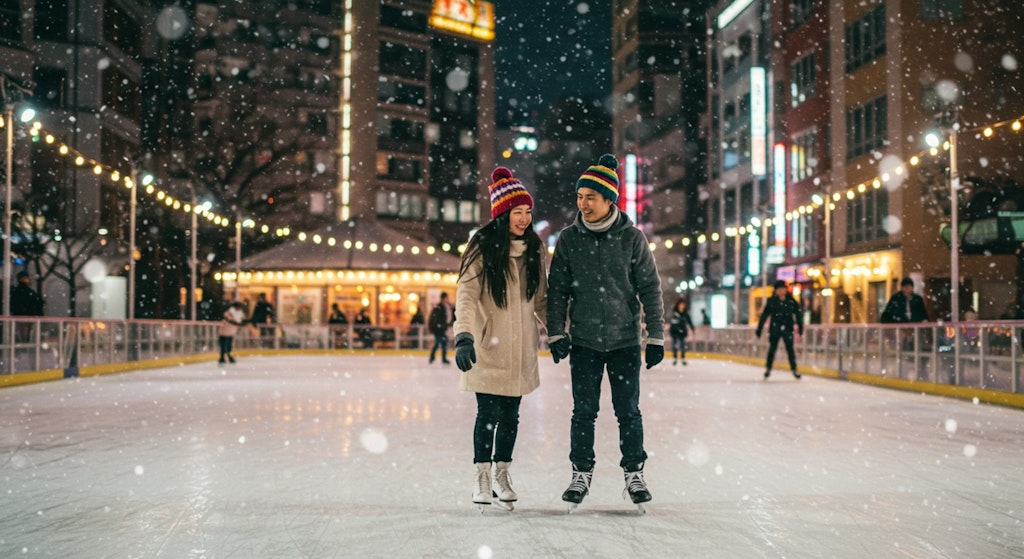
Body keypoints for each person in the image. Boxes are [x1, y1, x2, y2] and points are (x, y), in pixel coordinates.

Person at [545, 153, 665, 510]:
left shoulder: (632, 239)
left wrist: (654, 335)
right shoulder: (569, 239)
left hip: (625, 342)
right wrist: (556, 332)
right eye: (579, 197)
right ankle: (580, 474)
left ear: (609, 199)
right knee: (584, 411)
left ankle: (634, 474)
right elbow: (557, 291)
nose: (582, 204)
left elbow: (650, 289)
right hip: (583, 342)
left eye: (590, 197)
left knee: (628, 411)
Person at [453, 166, 547, 510]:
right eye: (517, 212)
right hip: (487, 347)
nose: (523, 218)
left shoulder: (535, 249)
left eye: (527, 212)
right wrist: (463, 335)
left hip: (521, 349)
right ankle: (482, 475)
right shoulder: (482, 246)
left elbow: (542, 300)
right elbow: (466, 293)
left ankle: (503, 473)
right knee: (487, 414)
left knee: (511, 416)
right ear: (502, 214)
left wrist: (558, 331)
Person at [756, 280, 803, 380]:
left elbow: (798, 314)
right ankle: (768, 369)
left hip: (788, 328)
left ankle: (794, 369)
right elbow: (764, 315)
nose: (781, 291)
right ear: (776, 291)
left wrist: (800, 327)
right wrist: (759, 329)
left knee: (790, 349)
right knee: (772, 349)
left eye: (783, 289)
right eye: (779, 290)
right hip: (775, 328)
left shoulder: (791, 301)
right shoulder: (772, 301)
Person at [10, 270, 45, 342]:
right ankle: (24, 347)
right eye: (24, 278)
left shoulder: (17, 291)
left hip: (21, 316)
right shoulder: (28, 292)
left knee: (23, 335)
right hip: (25, 316)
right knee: (25, 335)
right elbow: (37, 303)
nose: (26, 280)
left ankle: (23, 347)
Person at [428, 292, 453, 364]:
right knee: (439, 342)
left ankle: (439, 358)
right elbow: (434, 318)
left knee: (442, 343)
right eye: (447, 298)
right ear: (443, 298)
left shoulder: (447, 306)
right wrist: (435, 327)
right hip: (438, 329)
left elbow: (448, 317)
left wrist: (448, 324)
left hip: (442, 328)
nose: (448, 299)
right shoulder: (439, 307)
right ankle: (436, 357)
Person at [669, 299, 696, 365]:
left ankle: (683, 358)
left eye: (683, 305)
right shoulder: (675, 313)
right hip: (674, 331)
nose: (682, 306)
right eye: (681, 304)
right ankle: (675, 358)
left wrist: (692, 328)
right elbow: (672, 321)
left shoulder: (685, 314)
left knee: (683, 345)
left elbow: (689, 322)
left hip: (682, 332)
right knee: (674, 345)